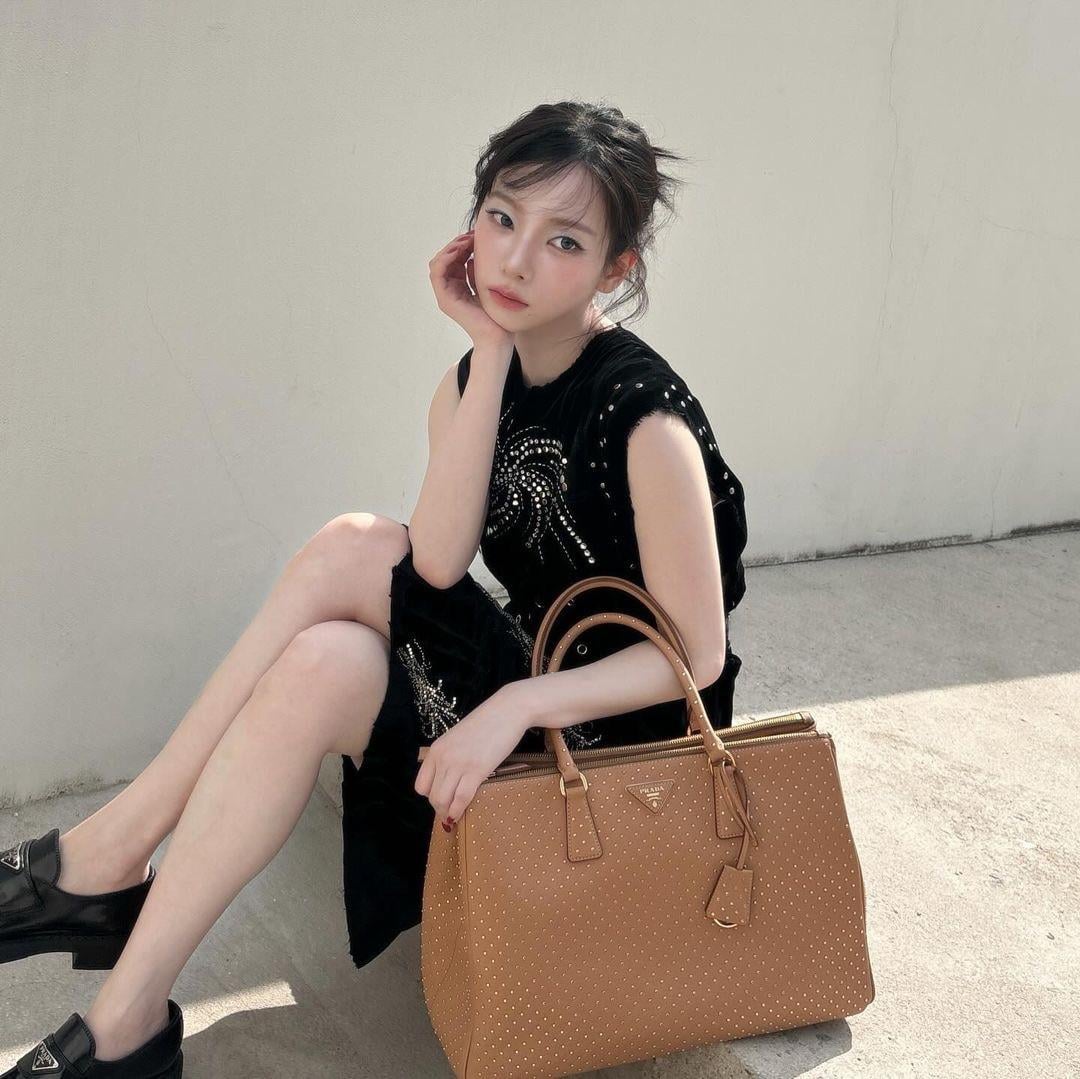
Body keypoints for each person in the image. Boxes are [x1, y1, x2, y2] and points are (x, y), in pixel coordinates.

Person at [0, 100, 747, 1077]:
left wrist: (514, 704)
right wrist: (488, 352)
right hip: (524, 698)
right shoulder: (477, 376)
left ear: (617, 269)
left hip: (626, 758)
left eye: (564, 241)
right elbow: (436, 562)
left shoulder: (644, 418)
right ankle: (124, 1022)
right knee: (324, 652)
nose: (517, 260)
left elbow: (698, 655)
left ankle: (107, 857)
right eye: (501, 218)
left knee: (353, 546)